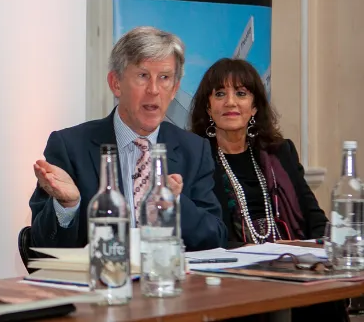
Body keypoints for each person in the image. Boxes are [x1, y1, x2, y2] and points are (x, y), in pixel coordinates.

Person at [29, 26, 227, 251]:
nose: (153, 90)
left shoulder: (194, 149)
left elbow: (216, 238)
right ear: (115, 83)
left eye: (164, 78)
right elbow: (41, 246)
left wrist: (175, 203)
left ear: (174, 89)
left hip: (170, 280)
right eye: (143, 76)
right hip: (101, 282)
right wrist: (67, 206)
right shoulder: (70, 146)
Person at [188, 58, 327, 246]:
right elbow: (200, 235)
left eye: (240, 93)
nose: (230, 102)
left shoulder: (280, 152)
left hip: (291, 259)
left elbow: (316, 220)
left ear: (254, 107)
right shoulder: (195, 159)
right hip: (232, 265)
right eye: (220, 94)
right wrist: (245, 250)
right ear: (208, 108)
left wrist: (312, 248)